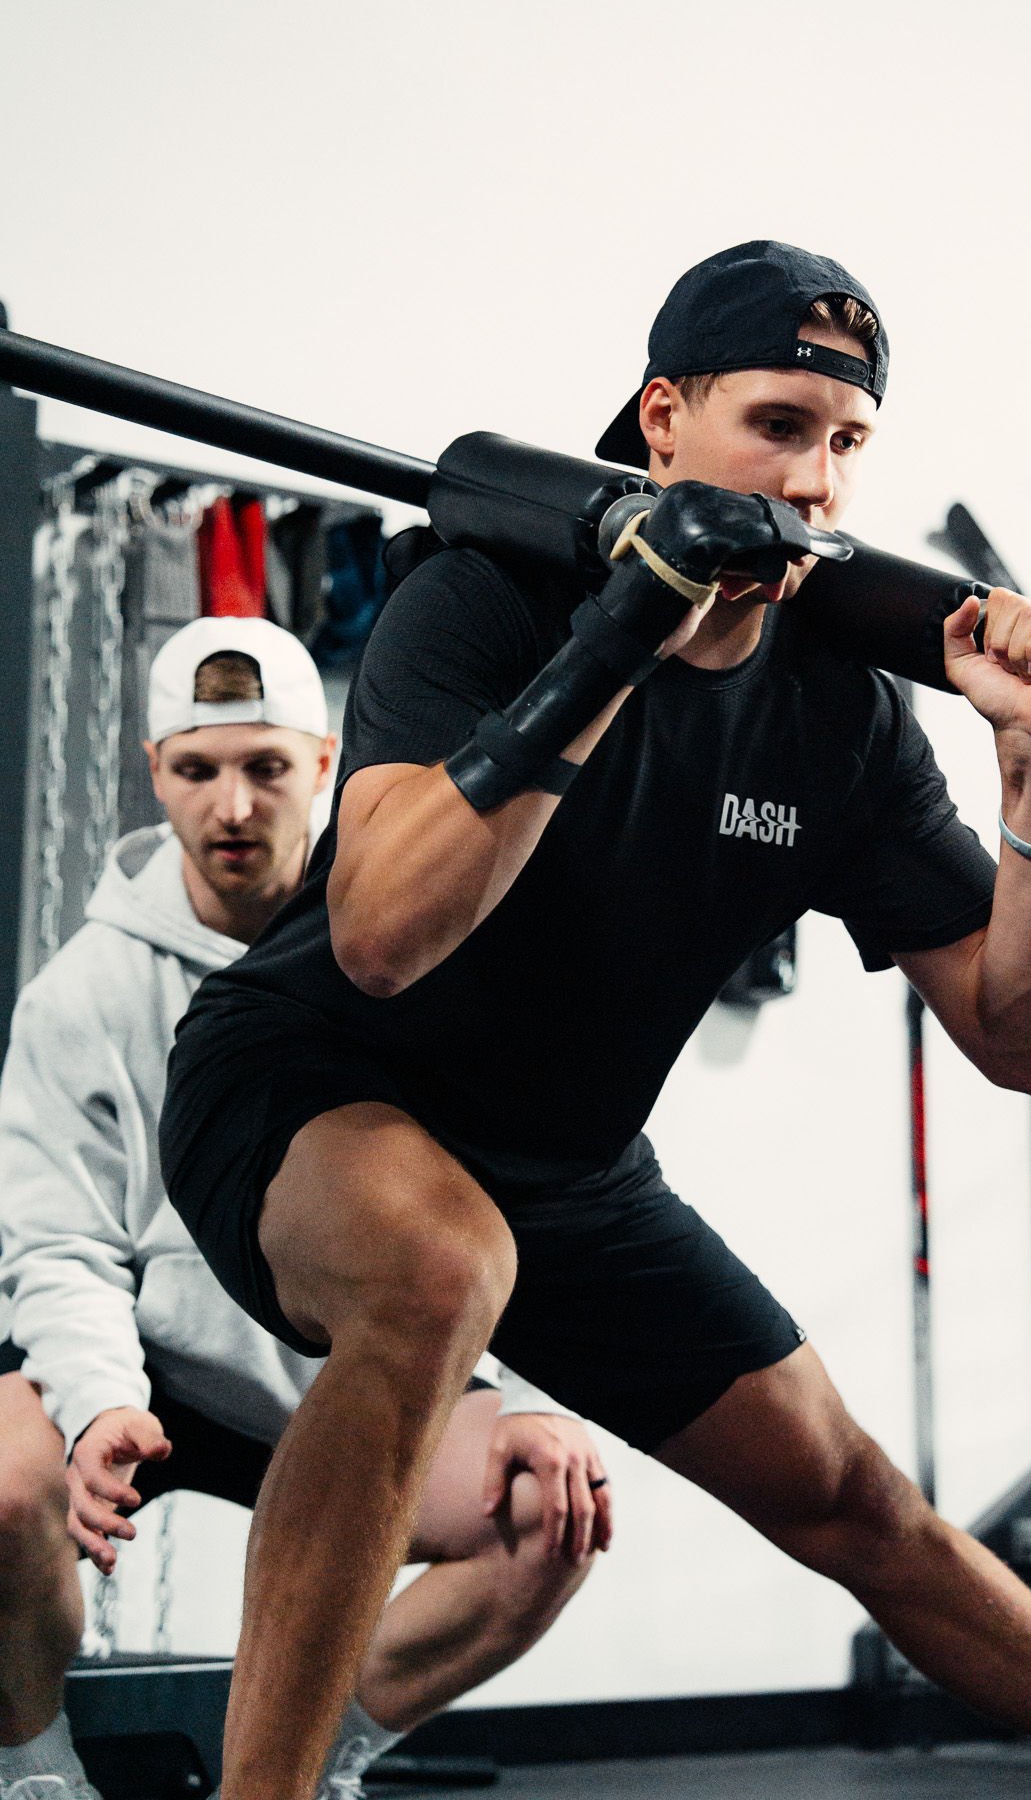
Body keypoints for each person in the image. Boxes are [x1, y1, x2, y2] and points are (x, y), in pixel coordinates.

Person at [160, 240, 1031, 1800]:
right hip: (312, 1087)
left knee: (852, 1499)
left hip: (569, 1164)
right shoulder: (483, 589)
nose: (816, 483)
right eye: (777, 426)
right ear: (662, 419)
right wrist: (627, 629)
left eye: (846, 442)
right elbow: (382, 939)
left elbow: (1029, 1047)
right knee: (440, 1263)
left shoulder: (846, 713)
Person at [0, 619, 608, 1800]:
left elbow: (505, 1200)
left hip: (347, 1368)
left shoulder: (408, 936)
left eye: (266, 767)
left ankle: (308, 1745)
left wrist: (516, 1398)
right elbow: (60, 1241)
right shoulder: (86, 989)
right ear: (154, 769)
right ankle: (34, 1766)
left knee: (552, 1506)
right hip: (156, 1369)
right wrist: (100, 1404)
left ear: (324, 764)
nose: (232, 805)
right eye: (198, 767)